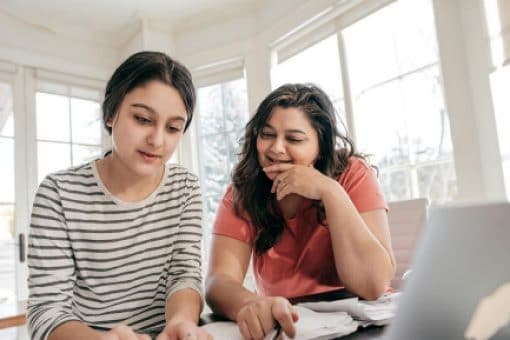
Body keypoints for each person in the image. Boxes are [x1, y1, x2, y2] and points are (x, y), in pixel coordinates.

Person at [27, 51, 211, 340]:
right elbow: (47, 310)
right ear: (110, 113)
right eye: (142, 119)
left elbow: (184, 274)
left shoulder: (184, 188)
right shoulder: (58, 193)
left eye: (173, 128)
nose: (158, 140)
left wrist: (180, 323)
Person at [205, 84, 396, 340]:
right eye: (267, 134)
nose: (276, 149)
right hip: (295, 325)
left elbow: (371, 286)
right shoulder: (242, 192)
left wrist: (330, 191)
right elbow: (219, 282)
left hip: (367, 324)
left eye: (293, 139)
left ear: (321, 145)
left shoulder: (353, 173)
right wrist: (250, 304)